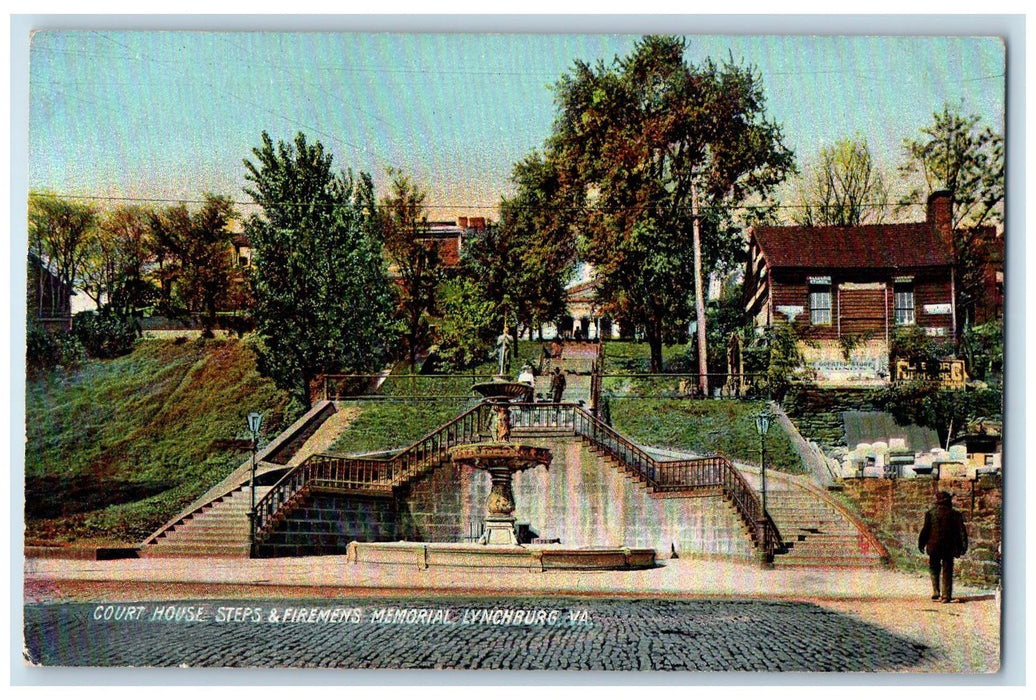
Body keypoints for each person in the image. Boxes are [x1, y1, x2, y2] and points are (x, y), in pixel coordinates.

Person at [918, 490, 969, 603]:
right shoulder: (955, 514)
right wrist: (964, 546)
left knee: (934, 568)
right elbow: (962, 532)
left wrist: (921, 544)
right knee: (947, 570)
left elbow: (925, 531)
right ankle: (946, 596)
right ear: (948, 501)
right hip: (948, 547)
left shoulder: (930, 513)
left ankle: (936, 592)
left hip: (934, 546)